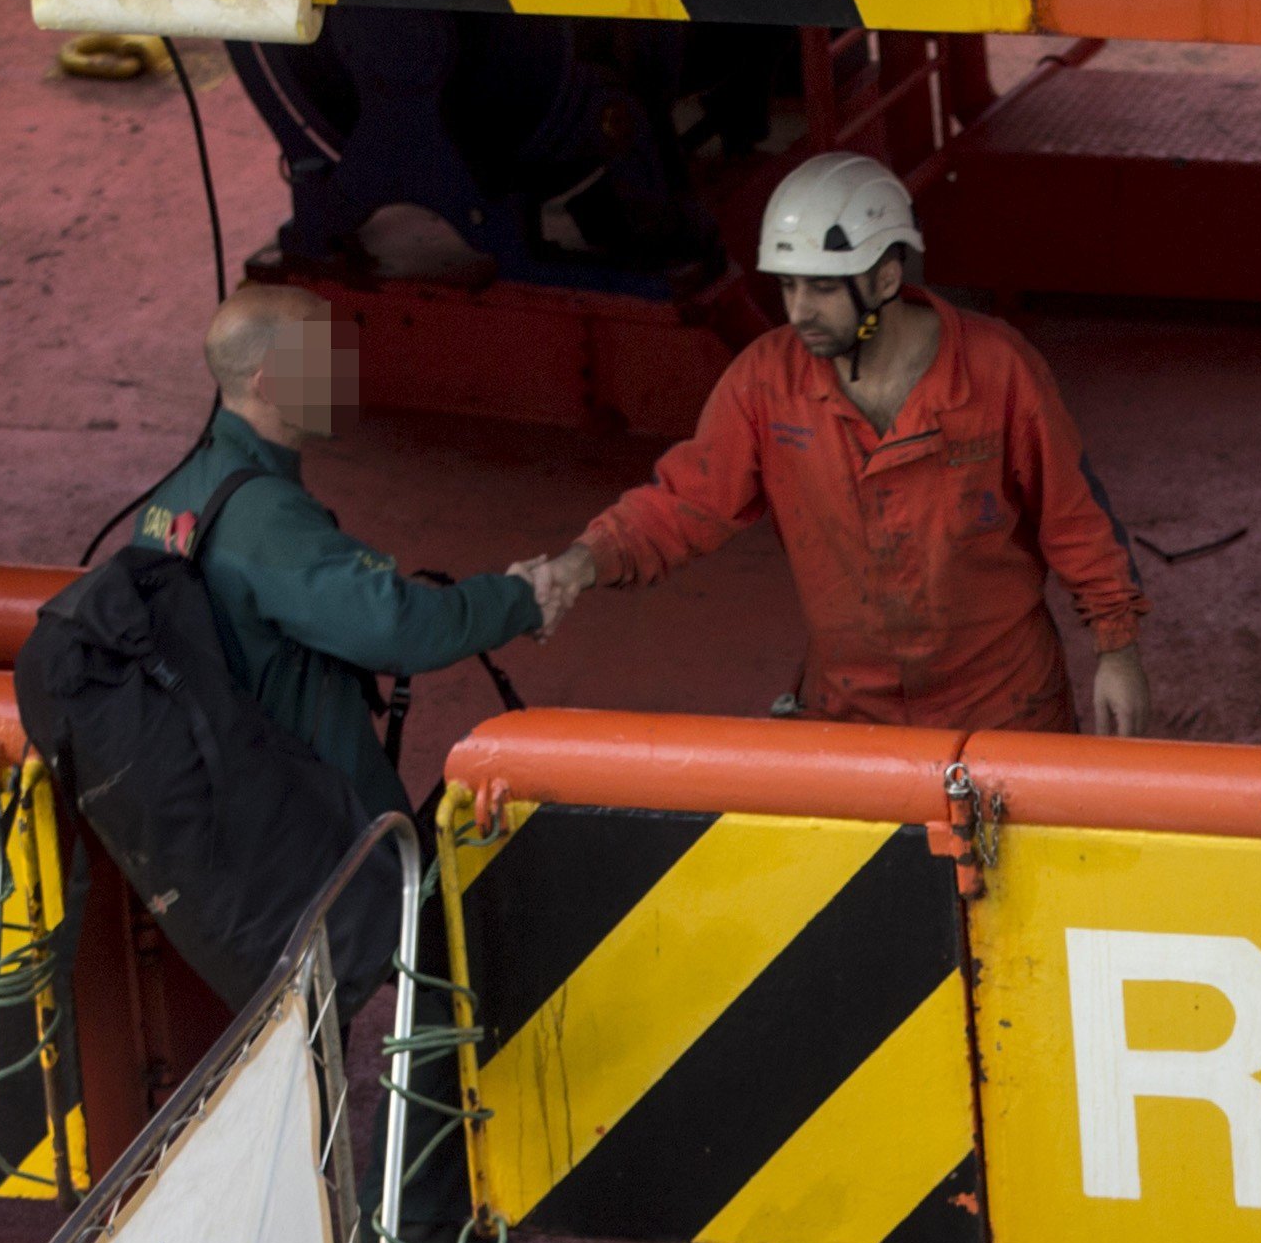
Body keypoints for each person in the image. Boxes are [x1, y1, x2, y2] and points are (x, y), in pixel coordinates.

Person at [519, 151, 1152, 736]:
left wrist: (1117, 652)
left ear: (884, 279)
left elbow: (1075, 519)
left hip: (1005, 709)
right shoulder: (768, 382)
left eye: (822, 288)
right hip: (851, 712)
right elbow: (682, 505)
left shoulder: (997, 371)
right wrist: (577, 566)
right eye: (790, 286)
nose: (799, 311)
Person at [133, 282, 548, 812]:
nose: (346, 377)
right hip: (309, 824)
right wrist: (520, 597)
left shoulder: (177, 493)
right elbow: (401, 630)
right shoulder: (264, 519)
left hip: (231, 794)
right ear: (271, 384)